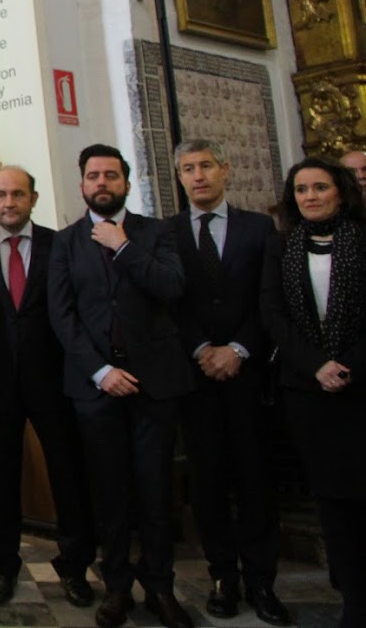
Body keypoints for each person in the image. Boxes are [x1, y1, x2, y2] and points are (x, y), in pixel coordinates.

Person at [48, 144, 194, 628]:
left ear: (126, 183)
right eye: (93, 176)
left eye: (111, 175)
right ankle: (115, 587)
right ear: (83, 185)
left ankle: (160, 587)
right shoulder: (66, 242)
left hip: (155, 384)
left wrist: (123, 246)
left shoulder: (158, 232)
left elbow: (172, 287)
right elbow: (62, 316)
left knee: (155, 492)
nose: (102, 183)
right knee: (108, 494)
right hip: (96, 387)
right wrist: (100, 371)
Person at [0, 166, 96, 608]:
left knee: (69, 472)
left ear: (33, 199)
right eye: (1, 194)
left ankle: (75, 565)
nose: (9, 202)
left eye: (18, 194)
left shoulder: (60, 245)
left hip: (54, 379)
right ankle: (3, 563)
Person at [167, 140, 289, 624]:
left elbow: (270, 300)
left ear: (226, 170)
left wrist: (238, 349)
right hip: (196, 380)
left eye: (206, 167)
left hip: (248, 376)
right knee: (209, 480)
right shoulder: (167, 233)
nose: (198, 176)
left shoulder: (259, 229)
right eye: (188, 169)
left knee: (257, 479)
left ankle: (262, 581)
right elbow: (171, 305)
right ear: (179, 177)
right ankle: (223, 576)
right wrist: (201, 349)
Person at [261, 157, 366, 628]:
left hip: (360, 385)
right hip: (307, 390)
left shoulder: (362, 239)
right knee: (333, 502)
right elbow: (274, 315)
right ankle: (354, 599)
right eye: (301, 189)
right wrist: (316, 365)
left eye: (320, 187)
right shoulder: (281, 246)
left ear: (340, 192)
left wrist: (348, 366)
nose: (310, 196)